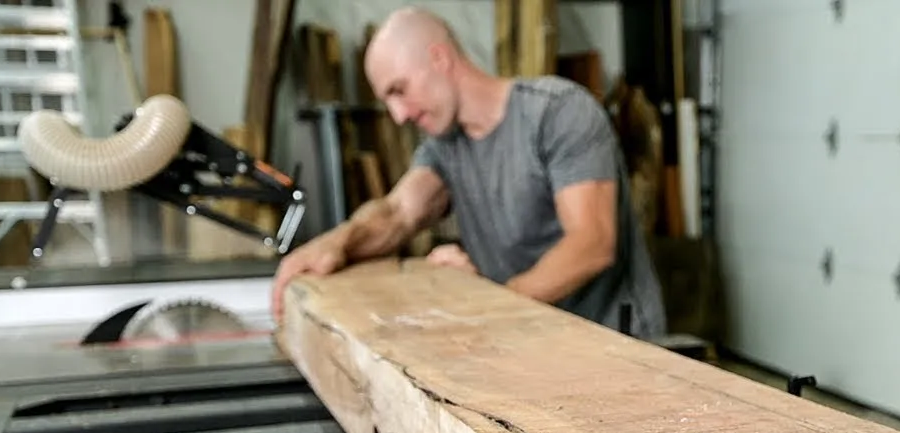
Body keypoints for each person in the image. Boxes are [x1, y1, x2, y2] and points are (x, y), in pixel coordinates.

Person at [270, 6, 667, 340]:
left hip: (615, 341)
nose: (399, 114)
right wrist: (335, 243)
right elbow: (397, 213)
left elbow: (592, 244)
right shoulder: (446, 145)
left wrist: (488, 301)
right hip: (534, 336)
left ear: (440, 59)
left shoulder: (557, 112)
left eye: (399, 90)